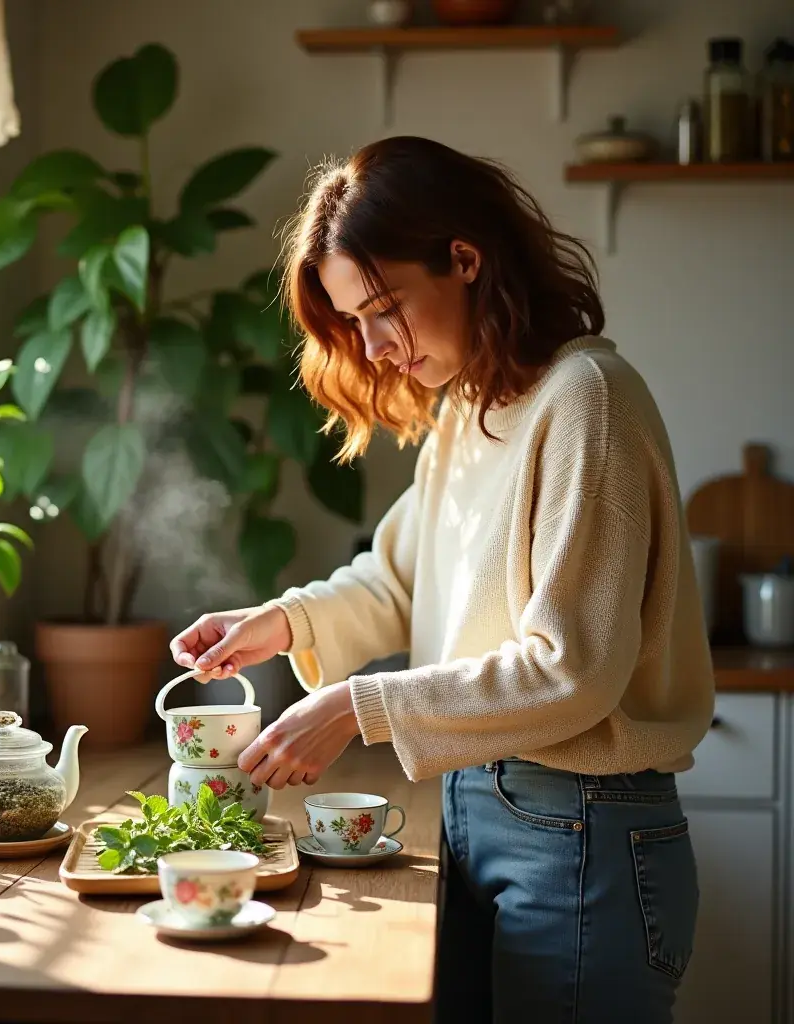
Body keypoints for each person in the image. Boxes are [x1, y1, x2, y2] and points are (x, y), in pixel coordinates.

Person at [170, 135, 714, 1024]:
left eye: (385, 308)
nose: (375, 347)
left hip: (585, 830)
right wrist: (279, 623)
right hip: (477, 805)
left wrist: (355, 705)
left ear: (464, 258)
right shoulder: (471, 408)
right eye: (355, 323)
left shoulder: (587, 400)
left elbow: (571, 670)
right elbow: (398, 582)